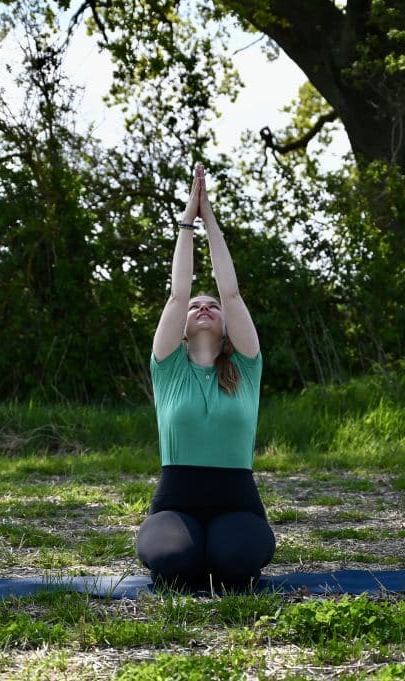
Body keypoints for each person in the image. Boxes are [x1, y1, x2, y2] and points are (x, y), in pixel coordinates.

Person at [136, 163, 275, 591]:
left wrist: (209, 218)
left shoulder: (247, 366)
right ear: (180, 323)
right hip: (176, 502)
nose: (203, 307)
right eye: (196, 306)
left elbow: (230, 290)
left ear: (226, 322)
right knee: (174, 564)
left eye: (211, 305)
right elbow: (179, 291)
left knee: (235, 566)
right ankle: (191, 546)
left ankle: (219, 547)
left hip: (238, 502)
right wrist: (186, 222)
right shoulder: (168, 368)